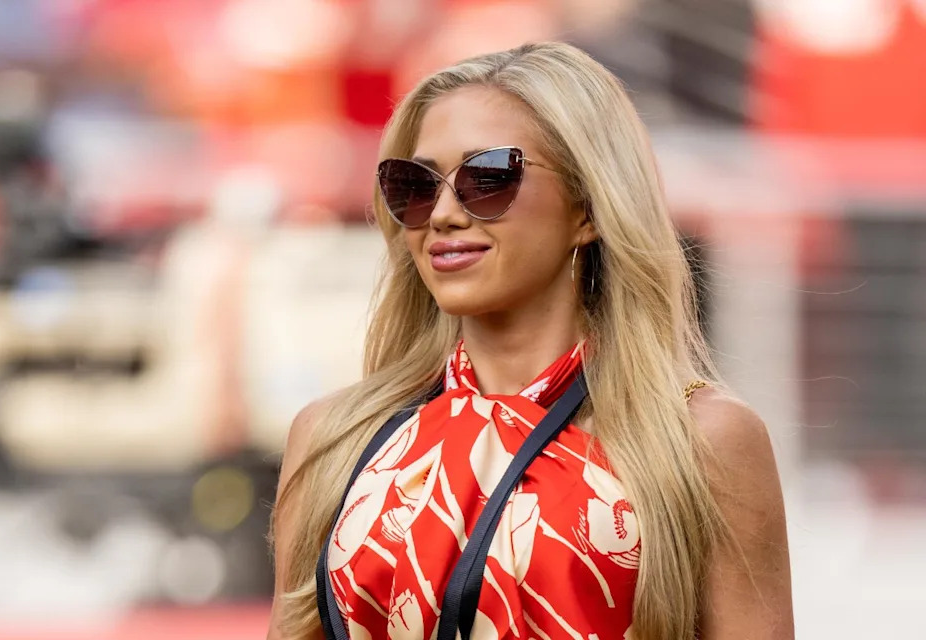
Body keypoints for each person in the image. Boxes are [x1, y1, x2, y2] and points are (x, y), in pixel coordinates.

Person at [268, 42, 793, 640]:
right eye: (414, 185)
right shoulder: (335, 437)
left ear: (588, 207)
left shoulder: (702, 441)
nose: (441, 213)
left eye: (487, 178)